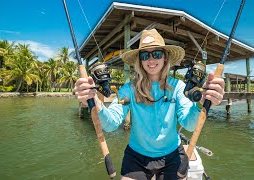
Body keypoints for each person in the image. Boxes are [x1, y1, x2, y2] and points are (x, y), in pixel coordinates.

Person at [74, 29, 225, 180]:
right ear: (140, 60)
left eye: (157, 54)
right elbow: (111, 123)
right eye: (145, 55)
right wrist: (94, 101)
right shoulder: (129, 89)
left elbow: (190, 124)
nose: (151, 60)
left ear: (165, 58)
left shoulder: (178, 87)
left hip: (172, 154)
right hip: (136, 156)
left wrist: (201, 103)